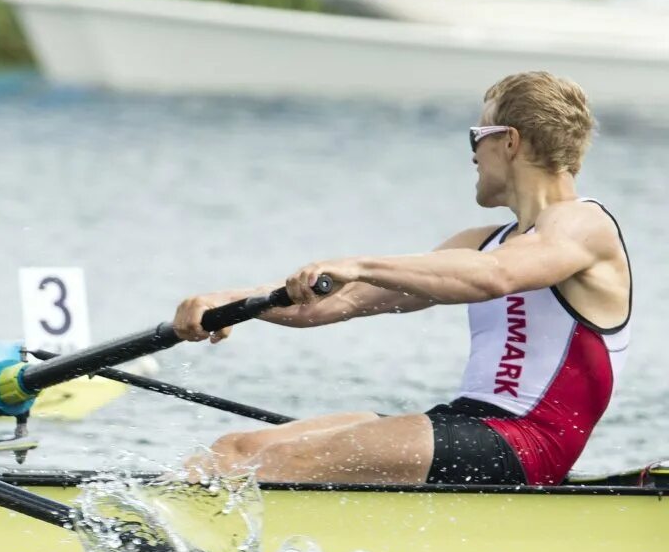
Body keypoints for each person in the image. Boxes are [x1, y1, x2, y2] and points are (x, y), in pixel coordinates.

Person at [172, 70, 630, 486]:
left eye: (478, 135)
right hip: (468, 427)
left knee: (280, 464)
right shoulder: (478, 243)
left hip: (526, 443)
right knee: (233, 451)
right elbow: (339, 302)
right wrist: (229, 301)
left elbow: (498, 276)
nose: (472, 153)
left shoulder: (583, 225)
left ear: (509, 141)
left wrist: (360, 264)